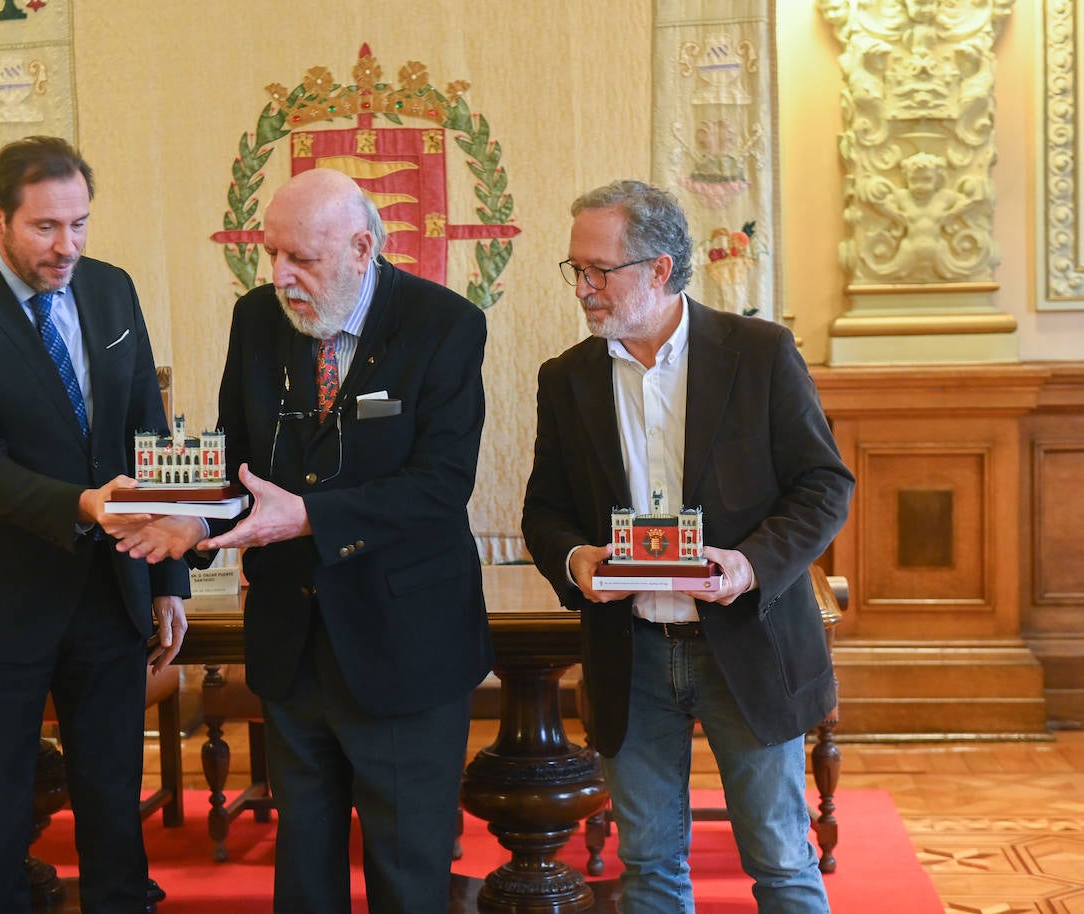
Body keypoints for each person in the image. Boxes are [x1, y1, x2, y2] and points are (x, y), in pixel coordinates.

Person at [117, 166, 493, 914]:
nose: (281, 277)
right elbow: (233, 457)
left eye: (302, 260)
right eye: (272, 255)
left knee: (406, 870)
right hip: (292, 641)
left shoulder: (442, 323)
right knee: (304, 870)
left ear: (361, 247)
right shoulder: (259, 318)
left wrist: (311, 518)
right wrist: (195, 516)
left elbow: (441, 483)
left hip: (403, 643)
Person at [521, 179, 854, 914]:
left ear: (660, 269)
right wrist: (577, 561)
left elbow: (825, 486)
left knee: (779, 859)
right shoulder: (567, 379)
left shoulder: (759, 354)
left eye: (597, 270)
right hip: (630, 651)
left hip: (747, 644)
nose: (582, 289)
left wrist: (751, 564)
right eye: (574, 270)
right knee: (649, 865)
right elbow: (545, 510)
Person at [0, 135, 194, 914]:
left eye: (80, 224)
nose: (67, 246)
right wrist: (83, 504)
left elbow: (150, 433)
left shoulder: (111, 289)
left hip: (111, 589)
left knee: (111, 800)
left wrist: (168, 577)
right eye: (45, 228)